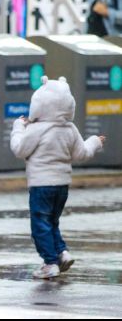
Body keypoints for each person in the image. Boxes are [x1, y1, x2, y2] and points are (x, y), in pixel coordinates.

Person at [10, 77, 105, 279]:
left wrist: (18, 127)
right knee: (52, 221)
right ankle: (62, 253)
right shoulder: (70, 129)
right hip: (62, 186)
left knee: (40, 224)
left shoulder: (36, 129)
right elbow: (82, 154)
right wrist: (95, 142)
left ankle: (50, 263)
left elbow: (19, 149)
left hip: (41, 185)